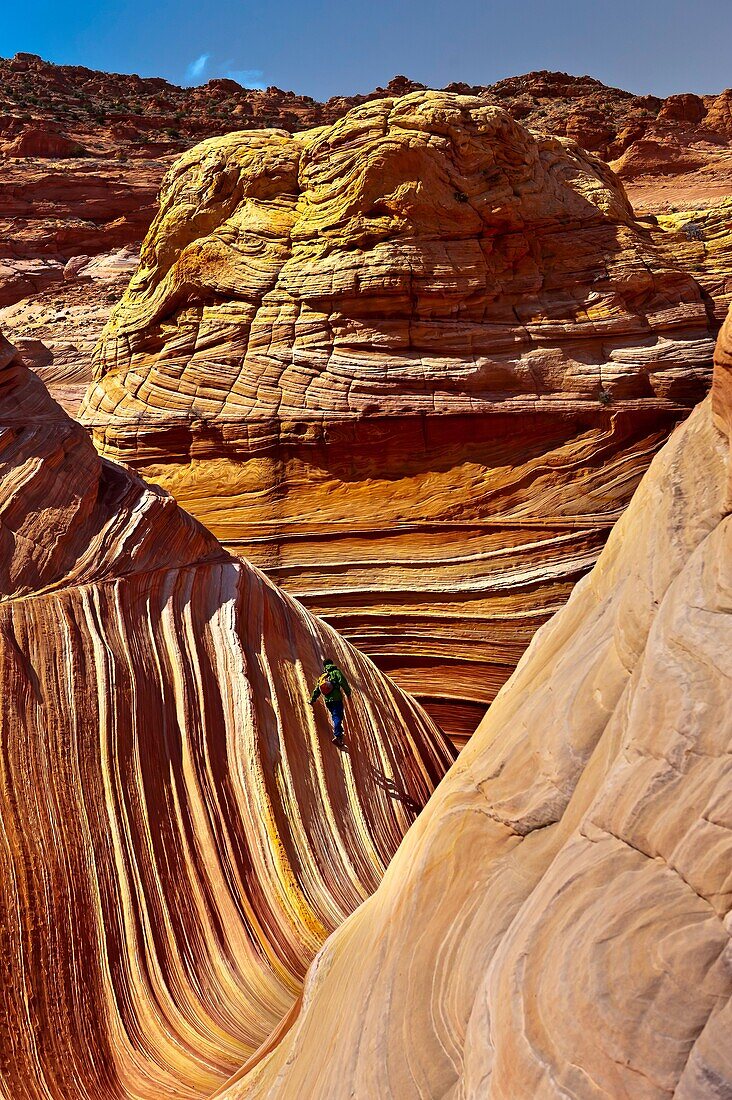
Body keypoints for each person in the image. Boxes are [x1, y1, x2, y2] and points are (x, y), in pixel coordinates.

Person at [309, 657, 352, 744]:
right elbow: (343, 682)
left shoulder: (323, 676)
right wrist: (348, 693)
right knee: (337, 716)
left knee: (335, 716)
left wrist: (312, 700)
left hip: (328, 700)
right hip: (336, 698)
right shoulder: (336, 672)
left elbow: (317, 689)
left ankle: (339, 730)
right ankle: (338, 736)